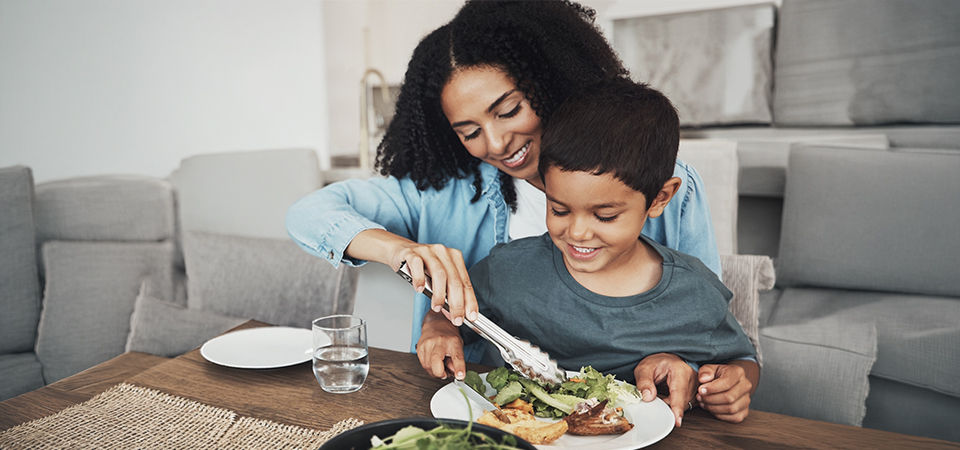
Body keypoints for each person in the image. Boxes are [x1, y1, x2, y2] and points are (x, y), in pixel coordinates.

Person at [286, 0, 744, 423]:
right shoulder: (442, 190)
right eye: (470, 131)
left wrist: (697, 371)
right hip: (485, 416)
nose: (497, 143)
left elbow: (696, 325)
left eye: (508, 110)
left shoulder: (656, 181)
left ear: (547, 82)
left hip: (629, 424)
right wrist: (403, 252)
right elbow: (309, 213)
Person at [423, 78, 760, 426]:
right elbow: (450, 309)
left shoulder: (694, 293)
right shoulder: (508, 268)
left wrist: (733, 384)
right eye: (559, 210)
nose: (578, 233)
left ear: (660, 198)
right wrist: (439, 329)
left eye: (605, 215)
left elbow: (742, 360)